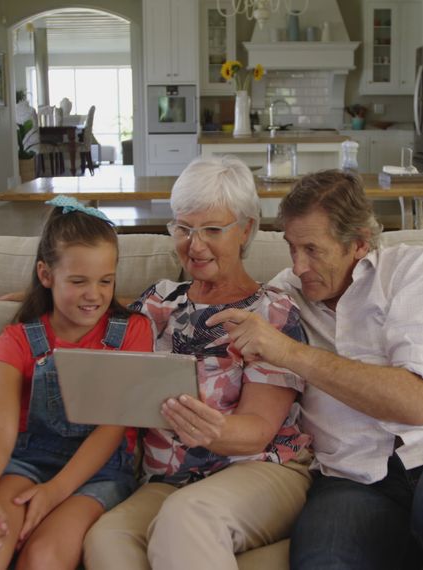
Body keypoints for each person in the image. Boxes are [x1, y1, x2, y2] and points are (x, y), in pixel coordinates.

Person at [207, 170, 423, 569]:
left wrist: (290, 352)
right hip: (350, 477)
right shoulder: (284, 297)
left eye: (313, 250)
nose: (298, 266)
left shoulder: (415, 271)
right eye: (291, 247)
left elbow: (417, 403)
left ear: (359, 244)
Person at [83, 155, 313, 570]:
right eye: (184, 228)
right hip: (168, 481)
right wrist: (39, 304)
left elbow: (257, 432)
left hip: (259, 469)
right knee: (106, 538)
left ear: (244, 230)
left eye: (211, 229)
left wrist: (206, 427)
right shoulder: (160, 301)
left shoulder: (273, 314)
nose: (195, 244)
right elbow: (102, 318)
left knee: (187, 515)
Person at [0, 196, 153, 570]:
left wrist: (54, 493)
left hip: (100, 472)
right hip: (27, 462)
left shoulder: (133, 332)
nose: (95, 294)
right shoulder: (18, 339)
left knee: (42, 558)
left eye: (106, 281)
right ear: (46, 275)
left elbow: (112, 429)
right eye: (78, 281)